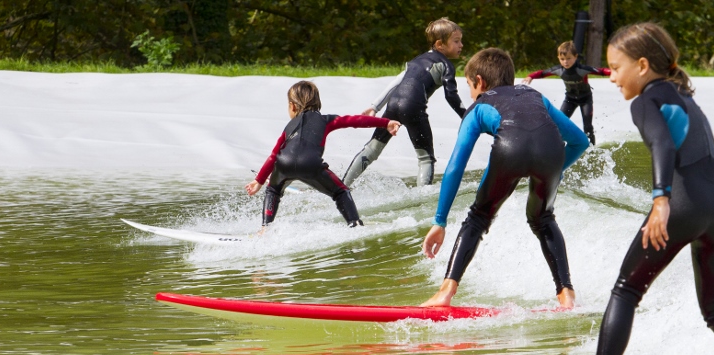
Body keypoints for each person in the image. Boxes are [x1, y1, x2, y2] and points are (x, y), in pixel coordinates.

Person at [562, 23, 714, 355]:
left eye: (615, 67)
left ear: (642, 66)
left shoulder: (645, 101)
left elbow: (661, 142)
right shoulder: (685, 96)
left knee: (626, 290)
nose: (611, 77)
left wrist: (661, 200)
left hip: (683, 204)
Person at [421, 48, 589, 308]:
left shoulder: (478, 107)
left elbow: (456, 166)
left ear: (480, 81)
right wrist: (554, 171)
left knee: (478, 218)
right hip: (552, 151)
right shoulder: (534, 95)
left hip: (509, 150)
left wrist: (439, 221)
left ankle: (445, 293)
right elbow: (579, 141)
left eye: (469, 86)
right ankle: (567, 295)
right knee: (543, 219)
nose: (470, 93)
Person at [245, 81, 401, 228]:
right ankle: (355, 224)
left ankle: (265, 227)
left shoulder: (288, 128)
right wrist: (386, 122)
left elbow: (274, 155)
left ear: (292, 106)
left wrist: (258, 180)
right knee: (341, 192)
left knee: (273, 190)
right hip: (311, 164)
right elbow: (354, 120)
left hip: (283, 163)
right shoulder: (326, 120)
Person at [342, 17, 466, 188]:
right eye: (456, 41)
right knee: (426, 158)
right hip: (414, 109)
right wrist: (466, 116)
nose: (461, 45)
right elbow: (451, 96)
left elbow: (396, 82)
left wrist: (375, 106)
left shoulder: (416, 61)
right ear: (440, 45)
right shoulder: (446, 65)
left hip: (392, 106)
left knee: (371, 149)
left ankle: (342, 187)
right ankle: (422, 197)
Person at [522, 40, 610, 145]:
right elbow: (542, 73)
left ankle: (592, 148)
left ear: (575, 57)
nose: (565, 62)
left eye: (569, 58)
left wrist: (615, 72)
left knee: (587, 126)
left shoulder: (582, 69)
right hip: (570, 99)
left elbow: (601, 71)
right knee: (558, 122)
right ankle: (557, 144)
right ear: (558, 58)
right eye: (562, 59)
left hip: (585, 99)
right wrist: (531, 76)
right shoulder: (559, 70)